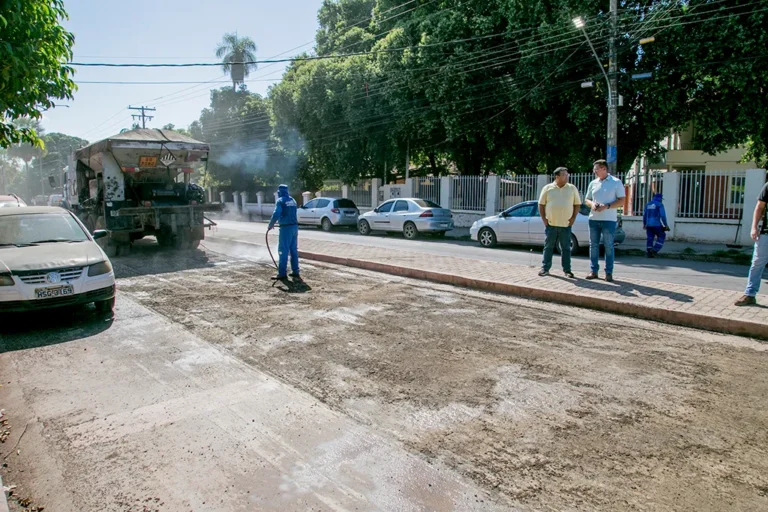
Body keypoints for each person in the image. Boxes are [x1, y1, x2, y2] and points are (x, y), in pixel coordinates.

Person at [584, 159, 626, 282]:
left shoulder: (616, 182)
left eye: (596, 169)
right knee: (593, 245)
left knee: (608, 246)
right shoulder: (593, 183)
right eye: (594, 169)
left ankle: (608, 272)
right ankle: (593, 271)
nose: (594, 171)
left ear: (604, 169)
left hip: (609, 220)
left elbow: (622, 201)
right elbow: (587, 199)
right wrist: (591, 204)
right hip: (594, 219)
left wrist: (606, 206)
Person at [538, 167, 581, 278]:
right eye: (564, 175)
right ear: (557, 176)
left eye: (567, 174)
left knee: (566, 248)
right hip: (551, 224)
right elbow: (541, 204)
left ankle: (567, 270)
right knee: (548, 246)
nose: (567, 176)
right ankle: (545, 268)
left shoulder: (572, 188)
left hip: (565, 224)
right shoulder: (548, 188)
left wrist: (573, 218)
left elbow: (577, 204)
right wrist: (544, 219)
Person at [734, 182, 768, 306]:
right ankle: (750, 294)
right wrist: (754, 227)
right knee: (757, 264)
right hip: (766, 233)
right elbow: (759, 206)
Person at [267, 184, 300, 280]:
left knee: (283, 250)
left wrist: (271, 224)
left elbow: (276, 213)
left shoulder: (280, 201)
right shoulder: (293, 200)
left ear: (279, 192)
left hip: (286, 229)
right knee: (293, 250)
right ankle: (295, 271)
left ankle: (282, 273)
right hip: (294, 227)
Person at [643, 193, 668, 258]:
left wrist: (644, 224)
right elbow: (663, 216)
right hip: (657, 224)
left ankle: (649, 251)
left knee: (650, 238)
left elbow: (645, 215)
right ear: (660, 199)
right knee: (662, 235)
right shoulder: (659, 205)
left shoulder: (648, 204)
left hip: (648, 225)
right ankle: (655, 250)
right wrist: (665, 225)